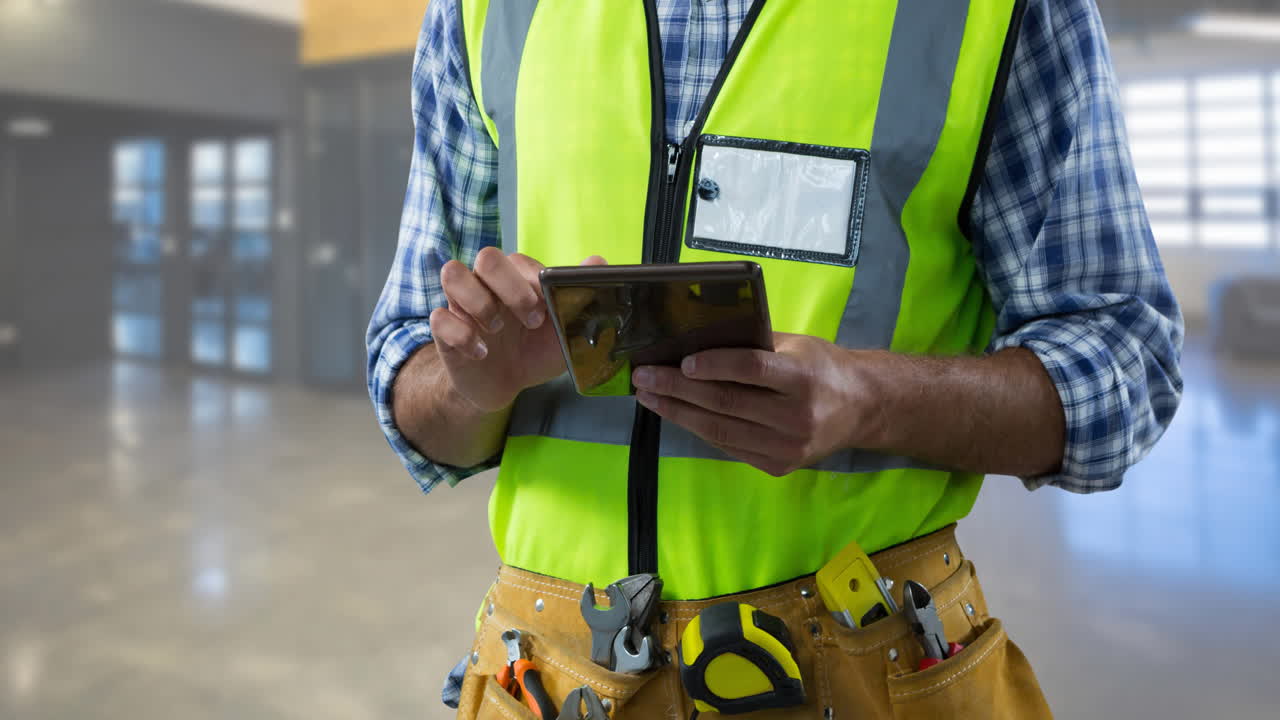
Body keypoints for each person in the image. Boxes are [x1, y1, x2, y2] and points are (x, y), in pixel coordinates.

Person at [367, 0, 1183, 717]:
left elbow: (1125, 361)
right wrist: (478, 383)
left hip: (866, 653)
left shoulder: (996, 10)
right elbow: (407, 379)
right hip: (556, 671)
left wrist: (871, 399)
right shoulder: (480, 11)